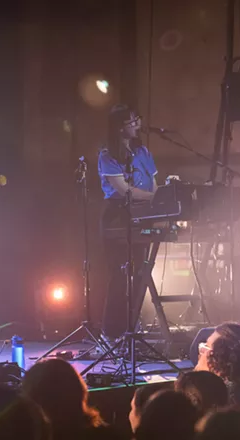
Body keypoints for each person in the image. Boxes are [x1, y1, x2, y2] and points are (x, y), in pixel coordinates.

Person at [97, 104, 158, 341]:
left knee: (141, 271)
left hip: (143, 213)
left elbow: (153, 184)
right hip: (117, 216)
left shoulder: (142, 152)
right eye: (131, 121)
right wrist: (154, 197)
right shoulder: (107, 156)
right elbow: (123, 190)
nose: (137, 125)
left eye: (137, 119)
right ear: (119, 127)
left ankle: (132, 327)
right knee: (119, 274)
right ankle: (111, 332)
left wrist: (157, 202)